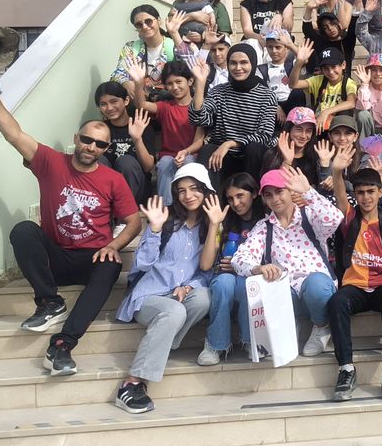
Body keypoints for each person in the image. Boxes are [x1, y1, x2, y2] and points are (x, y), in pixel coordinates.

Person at [0, 69, 142, 377]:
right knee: (23, 230)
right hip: (56, 257)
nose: (92, 147)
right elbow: (13, 134)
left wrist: (114, 245)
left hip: (93, 257)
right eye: (87, 140)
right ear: (76, 139)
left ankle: (63, 345)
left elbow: (134, 222)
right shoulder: (51, 162)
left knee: (111, 264)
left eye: (100, 145)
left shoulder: (113, 179)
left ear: (106, 150)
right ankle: (49, 302)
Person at [112, 163, 216, 414]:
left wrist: (189, 286)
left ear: (206, 190)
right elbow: (142, 264)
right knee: (174, 311)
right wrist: (155, 229)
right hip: (149, 295)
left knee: (203, 297)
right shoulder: (167, 221)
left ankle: (160, 344)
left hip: (178, 294)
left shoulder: (211, 226)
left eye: (194, 188)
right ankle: (132, 382)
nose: (188, 195)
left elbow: (207, 272)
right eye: (181, 190)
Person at [230, 165, 343, 361]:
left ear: (291, 191)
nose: (275, 199)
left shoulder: (309, 217)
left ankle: (321, 326)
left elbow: (334, 219)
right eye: (269, 195)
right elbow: (240, 258)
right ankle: (287, 330)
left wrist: (308, 192)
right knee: (266, 288)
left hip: (316, 292)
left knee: (316, 284)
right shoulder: (264, 227)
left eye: (280, 191)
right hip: (286, 294)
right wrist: (258, 268)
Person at [325, 150, 382, 403]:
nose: (366, 197)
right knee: (337, 302)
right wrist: (336, 172)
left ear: (380, 192)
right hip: (355, 286)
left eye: (371, 191)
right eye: (361, 192)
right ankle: (346, 369)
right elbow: (341, 196)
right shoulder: (350, 219)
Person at [198, 172, 267, 365]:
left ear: (254, 193)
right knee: (223, 282)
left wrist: (243, 267)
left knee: (247, 282)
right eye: (230, 198)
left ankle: (252, 340)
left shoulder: (267, 221)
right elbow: (205, 265)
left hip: (253, 279)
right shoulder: (224, 221)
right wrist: (215, 224)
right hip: (225, 279)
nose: (236, 203)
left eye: (240, 196)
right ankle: (216, 344)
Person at [188, 44, 278, 189]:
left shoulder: (267, 96)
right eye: (233, 63)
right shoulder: (218, 92)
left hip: (251, 157)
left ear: (253, 63)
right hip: (223, 157)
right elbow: (199, 119)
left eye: (244, 62)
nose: (238, 68)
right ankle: (210, 199)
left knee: (254, 149)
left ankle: (255, 197)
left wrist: (230, 143)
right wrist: (200, 82)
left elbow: (264, 135)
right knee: (207, 150)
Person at [126, 60, 206, 205]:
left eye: (178, 81)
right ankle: (166, 209)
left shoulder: (199, 107)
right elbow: (141, 105)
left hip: (191, 155)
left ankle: (191, 206)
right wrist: (138, 83)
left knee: (188, 162)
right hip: (168, 157)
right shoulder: (165, 107)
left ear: (190, 81)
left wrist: (186, 152)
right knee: (164, 164)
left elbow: (199, 141)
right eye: (169, 83)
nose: (174, 87)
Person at [92, 81, 154, 202]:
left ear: (126, 101)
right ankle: (103, 207)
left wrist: (137, 139)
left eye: (114, 101)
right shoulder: (101, 129)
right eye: (103, 104)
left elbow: (148, 167)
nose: (109, 108)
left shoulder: (141, 125)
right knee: (99, 160)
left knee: (126, 162)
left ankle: (126, 209)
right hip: (109, 190)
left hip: (137, 190)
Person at [290, 43, 357, 132]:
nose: (331, 72)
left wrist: (326, 112)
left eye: (334, 67)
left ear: (343, 65)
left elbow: (351, 103)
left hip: (339, 126)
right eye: (326, 68)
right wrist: (299, 63)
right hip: (319, 123)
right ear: (321, 70)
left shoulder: (349, 83)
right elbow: (293, 84)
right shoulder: (318, 80)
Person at [110, 5, 176, 91]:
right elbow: (118, 74)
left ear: (159, 21)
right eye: (139, 24)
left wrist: (174, 33)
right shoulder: (130, 48)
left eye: (148, 21)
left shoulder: (174, 45)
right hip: (138, 95)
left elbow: (188, 69)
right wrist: (126, 83)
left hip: (169, 96)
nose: (144, 27)